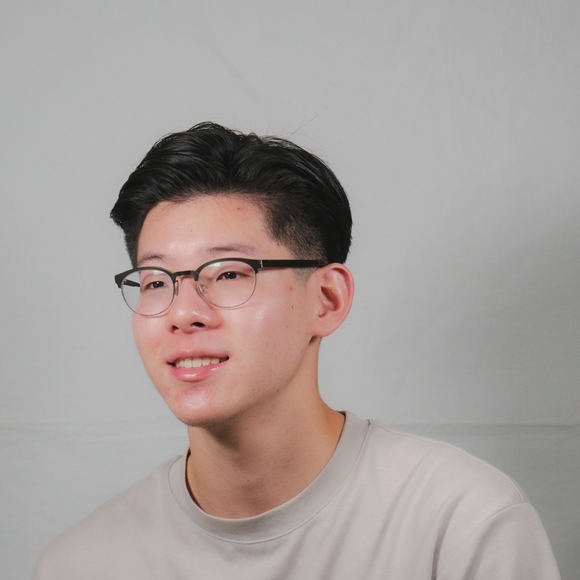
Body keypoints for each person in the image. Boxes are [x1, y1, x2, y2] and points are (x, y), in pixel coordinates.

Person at [31, 122, 561, 579]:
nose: (182, 312)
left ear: (327, 300)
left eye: (229, 273)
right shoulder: (81, 565)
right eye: (154, 281)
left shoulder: (462, 525)